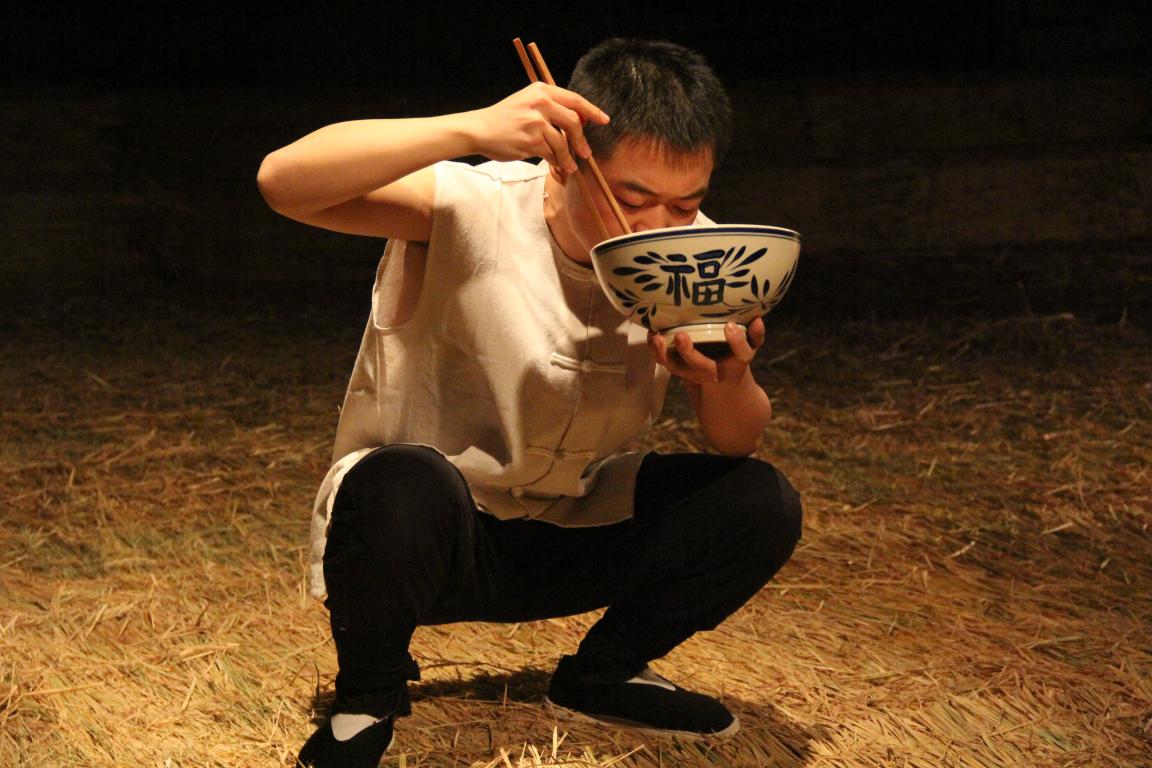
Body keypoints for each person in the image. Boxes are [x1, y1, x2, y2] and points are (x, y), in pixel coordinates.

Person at [257, 37, 803, 768]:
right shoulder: (476, 206)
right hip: (433, 536)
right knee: (396, 483)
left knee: (761, 502)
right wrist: (472, 128)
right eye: (633, 200)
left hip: (569, 522)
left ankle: (603, 673)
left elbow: (738, 441)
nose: (659, 225)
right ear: (567, 159)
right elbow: (282, 182)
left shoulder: (694, 254)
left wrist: (725, 378)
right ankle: (368, 698)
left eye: (686, 202)